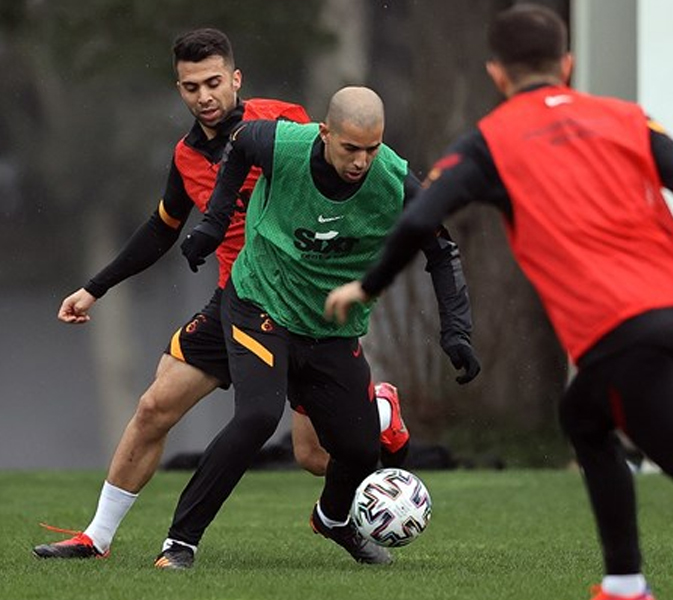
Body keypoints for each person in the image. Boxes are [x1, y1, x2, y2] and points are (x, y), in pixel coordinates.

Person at [324, 5, 673, 600]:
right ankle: (624, 584)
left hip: (623, 332)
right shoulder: (626, 116)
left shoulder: (490, 142)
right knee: (583, 415)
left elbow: (421, 217)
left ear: (496, 73)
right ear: (565, 65)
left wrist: (368, 285)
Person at [32, 29, 411, 561]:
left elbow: (339, 180)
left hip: (300, 308)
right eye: (191, 87)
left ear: (236, 79)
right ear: (179, 89)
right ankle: (96, 537)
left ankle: (375, 416)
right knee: (154, 407)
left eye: (213, 82)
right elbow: (161, 230)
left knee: (313, 454)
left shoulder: (282, 122)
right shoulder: (187, 156)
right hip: (238, 303)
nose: (204, 96)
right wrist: (94, 288)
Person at [155, 85, 479, 570]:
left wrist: (456, 331)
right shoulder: (284, 144)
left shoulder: (395, 181)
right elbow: (240, 142)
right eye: (350, 148)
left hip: (331, 327)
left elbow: (441, 250)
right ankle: (181, 541)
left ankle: (332, 519)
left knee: (357, 448)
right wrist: (213, 224)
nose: (360, 162)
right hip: (259, 303)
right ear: (325, 133)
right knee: (257, 418)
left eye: (372, 149)